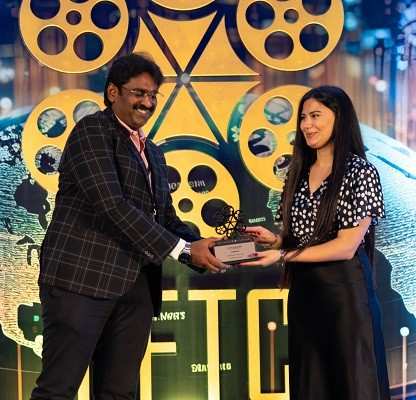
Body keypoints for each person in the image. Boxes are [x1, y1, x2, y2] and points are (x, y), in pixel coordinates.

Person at [31, 53, 227, 400]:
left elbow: (164, 218)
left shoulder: (154, 152)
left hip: (136, 288)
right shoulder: (92, 131)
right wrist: (183, 249)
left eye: (153, 95)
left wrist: (205, 247)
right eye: (138, 93)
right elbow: (112, 205)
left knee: (120, 393)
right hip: (81, 281)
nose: (147, 103)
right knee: (58, 389)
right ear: (113, 92)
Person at [243, 86, 390, 400]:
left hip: (345, 300)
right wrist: (276, 241)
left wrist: (283, 255)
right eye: (303, 118)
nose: (307, 125)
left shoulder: (360, 172)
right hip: (304, 296)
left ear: (339, 118)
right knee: (310, 387)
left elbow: (345, 246)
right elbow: (305, 236)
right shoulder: (296, 173)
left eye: (315, 116)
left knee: (353, 386)